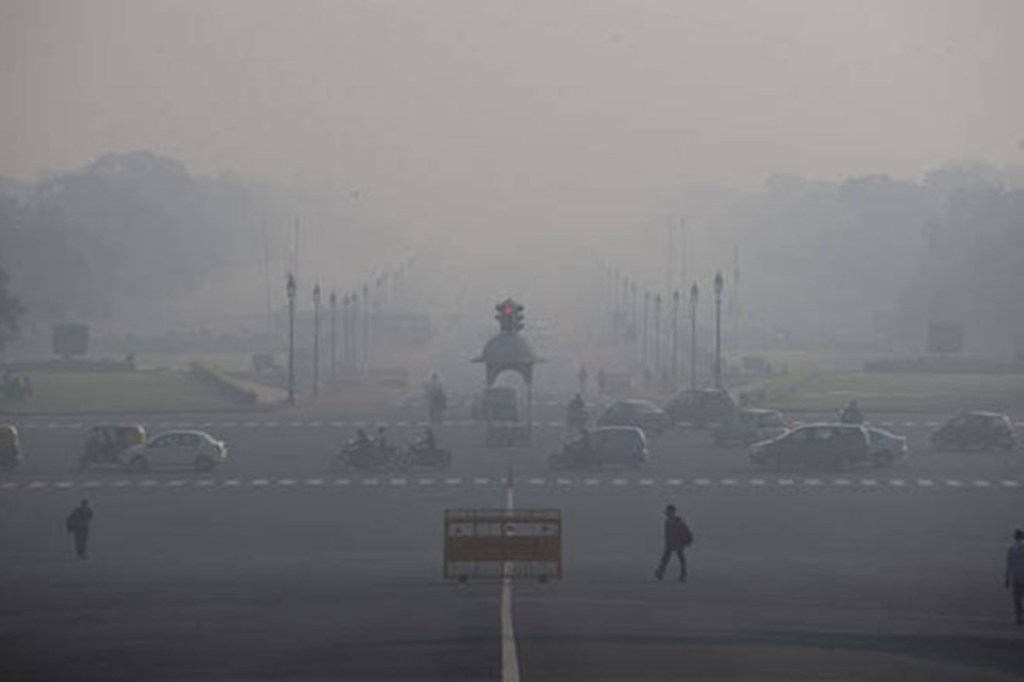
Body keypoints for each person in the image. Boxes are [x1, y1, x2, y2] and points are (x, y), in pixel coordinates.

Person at [655, 504, 693, 582]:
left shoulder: (679, 522)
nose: (667, 513)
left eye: (669, 512)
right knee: (666, 558)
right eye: (667, 512)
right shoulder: (667, 522)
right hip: (670, 543)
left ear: (673, 512)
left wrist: (687, 540)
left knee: (680, 558)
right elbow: (667, 534)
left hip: (678, 543)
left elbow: (685, 532)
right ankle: (660, 572)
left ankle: (683, 574)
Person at [1006, 529, 1024, 625]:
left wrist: (1007, 578)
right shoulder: (1012, 549)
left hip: (1016, 577)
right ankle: (1019, 617)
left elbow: (1009, 564)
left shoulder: (1011, 549)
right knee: (1018, 600)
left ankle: (1019, 618)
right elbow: (1009, 564)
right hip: (1019, 577)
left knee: (1017, 600)